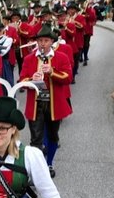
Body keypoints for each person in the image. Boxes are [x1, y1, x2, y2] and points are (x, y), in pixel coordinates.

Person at [18, 24, 73, 178]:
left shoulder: (61, 57)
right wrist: (31, 79)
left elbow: (68, 78)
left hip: (54, 103)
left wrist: (52, 72)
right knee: (35, 138)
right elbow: (22, 80)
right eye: (40, 40)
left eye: (46, 41)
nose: (43, 44)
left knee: (52, 136)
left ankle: (49, 163)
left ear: (52, 42)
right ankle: (37, 169)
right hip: (36, 103)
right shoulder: (29, 59)